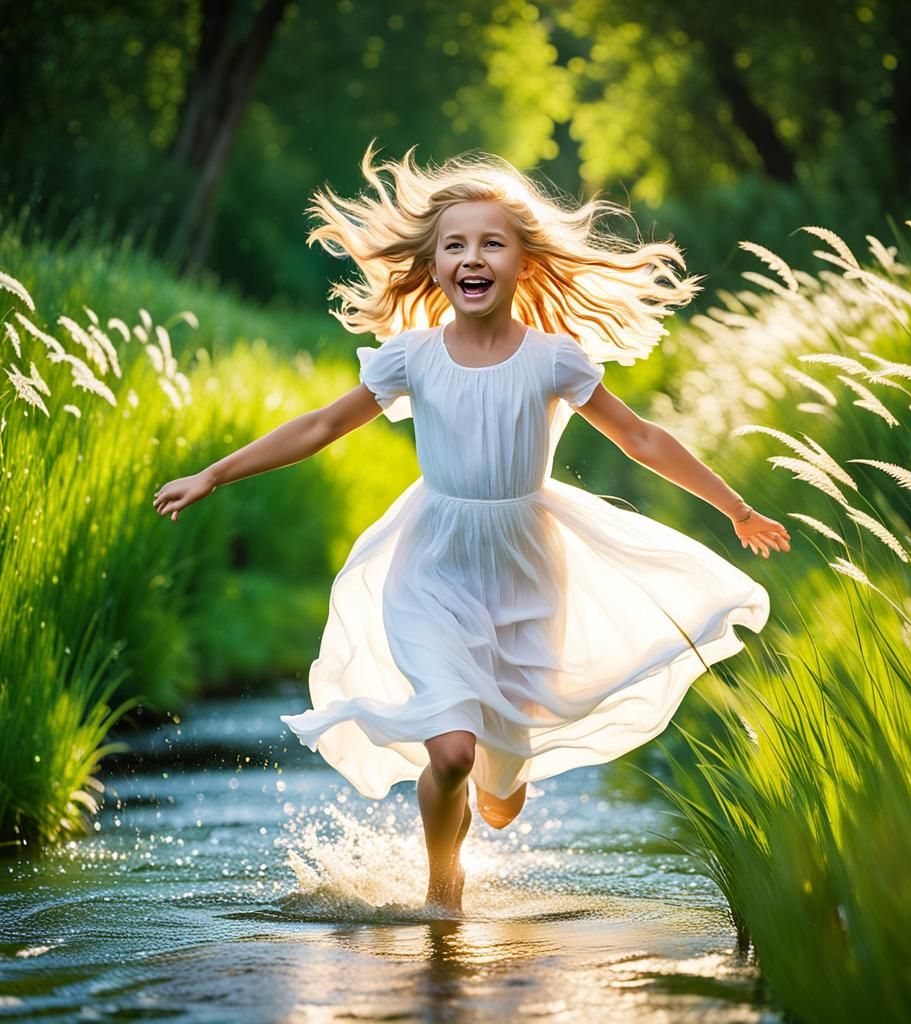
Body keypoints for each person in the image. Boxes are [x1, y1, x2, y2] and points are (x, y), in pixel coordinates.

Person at [152, 142, 791, 916]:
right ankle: (442, 893)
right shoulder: (411, 357)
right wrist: (214, 473)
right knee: (450, 750)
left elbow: (642, 439)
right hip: (433, 566)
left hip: (527, 573)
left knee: (499, 798)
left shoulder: (555, 359)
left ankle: (500, 785)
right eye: (455, 244)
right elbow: (321, 425)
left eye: (492, 242)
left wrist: (735, 507)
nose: (473, 256)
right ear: (434, 264)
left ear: (524, 260)